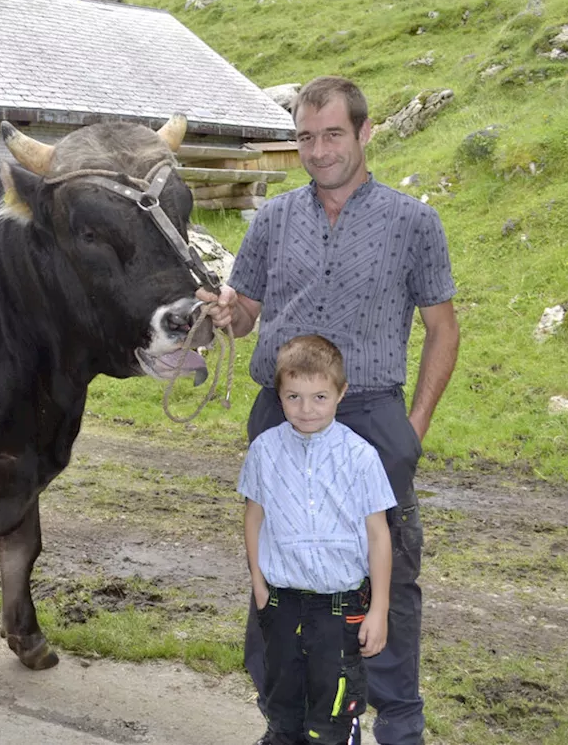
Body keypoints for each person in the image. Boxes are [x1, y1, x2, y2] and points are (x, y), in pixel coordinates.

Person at [197, 75, 459, 745]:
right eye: (305, 137)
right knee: (282, 566)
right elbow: (248, 312)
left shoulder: (412, 222)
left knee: (386, 571)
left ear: (365, 133)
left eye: (333, 134)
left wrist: (412, 430)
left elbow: (443, 330)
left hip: (372, 416)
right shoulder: (273, 219)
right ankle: (287, 718)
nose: (318, 150)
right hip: (280, 416)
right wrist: (230, 314)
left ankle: (398, 725)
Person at [240, 334, 396, 745]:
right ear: (280, 396)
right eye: (294, 397)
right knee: (282, 710)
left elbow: (378, 536)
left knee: (330, 719)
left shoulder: (361, 456)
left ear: (341, 393)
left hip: (338, 610)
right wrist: (259, 585)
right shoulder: (264, 451)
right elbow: (254, 517)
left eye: (319, 397)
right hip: (281, 604)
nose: (306, 409)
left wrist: (378, 609)